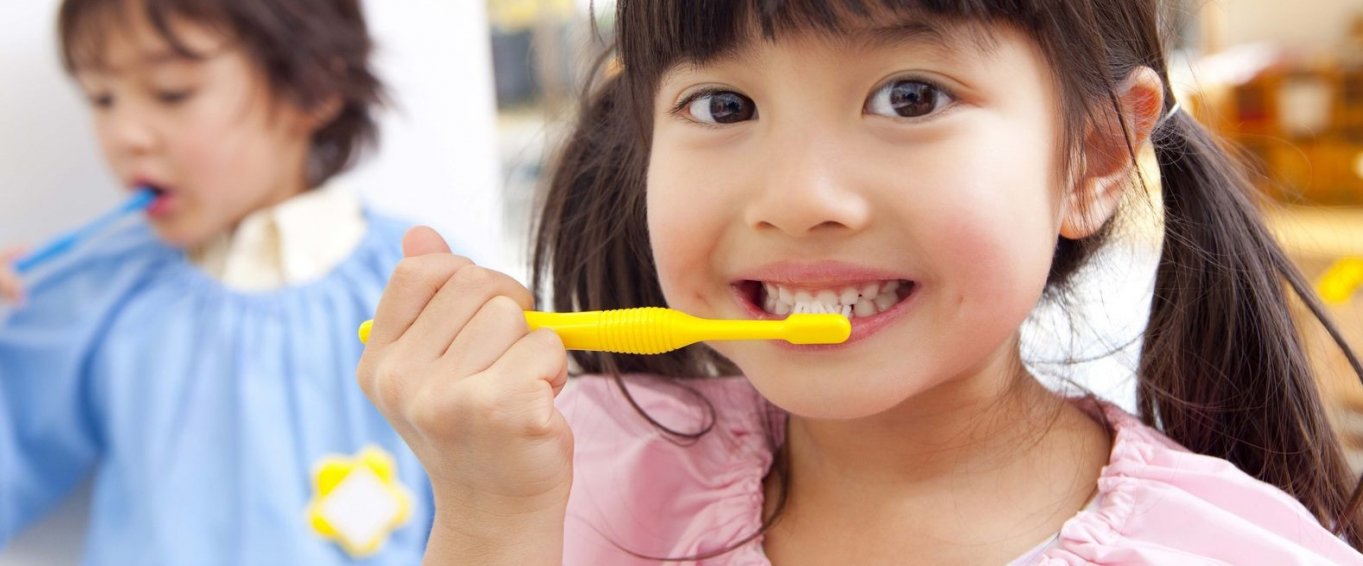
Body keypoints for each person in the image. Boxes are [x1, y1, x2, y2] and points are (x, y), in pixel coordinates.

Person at [357, 0, 1363, 563]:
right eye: (721, 105)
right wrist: (489, 521)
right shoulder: (581, 473)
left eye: (909, 95)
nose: (797, 198)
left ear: (1094, 158)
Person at [0, 1, 432, 563]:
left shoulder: (417, 289)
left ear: (316, 88)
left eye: (171, 91)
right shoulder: (97, 293)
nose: (125, 134)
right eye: (101, 98)